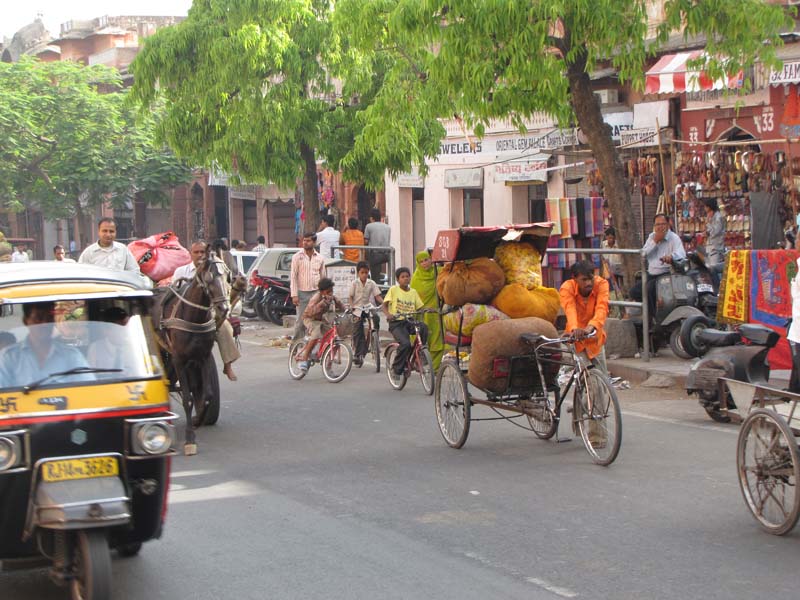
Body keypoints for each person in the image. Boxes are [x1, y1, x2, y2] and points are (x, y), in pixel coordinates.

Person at [172, 241, 241, 381]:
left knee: (224, 328)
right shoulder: (181, 271)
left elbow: (223, 289)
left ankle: (227, 365)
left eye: (202, 252)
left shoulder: (215, 271)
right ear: (190, 254)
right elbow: (175, 293)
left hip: (208, 312)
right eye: (196, 252)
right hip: (185, 315)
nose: (199, 255)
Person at [0, 301, 93, 388]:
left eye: (49, 319)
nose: (44, 324)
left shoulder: (72, 356)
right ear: (26, 321)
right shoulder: (9, 357)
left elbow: (89, 390)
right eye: (39, 318)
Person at [628, 213, 686, 317]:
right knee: (634, 291)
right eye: (657, 224)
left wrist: (671, 257)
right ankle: (651, 311)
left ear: (668, 225)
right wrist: (655, 241)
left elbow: (681, 254)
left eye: (662, 224)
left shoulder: (674, 238)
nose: (660, 227)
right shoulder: (652, 237)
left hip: (666, 274)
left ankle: (654, 318)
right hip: (651, 274)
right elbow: (643, 254)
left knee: (649, 289)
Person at [559, 260, 610, 372]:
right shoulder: (567, 287)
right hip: (576, 338)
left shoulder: (601, 284)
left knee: (603, 379)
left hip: (595, 337)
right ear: (574, 278)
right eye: (584, 280)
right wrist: (575, 328)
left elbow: (602, 308)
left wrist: (590, 327)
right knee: (588, 377)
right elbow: (569, 309)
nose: (588, 283)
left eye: (590, 278)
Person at [383, 266, 427, 377]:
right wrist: (388, 315)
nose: (406, 279)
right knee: (405, 343)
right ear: (398, 280)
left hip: (410, 321)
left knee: (424, 327)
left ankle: (419, 355)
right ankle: (396, 369)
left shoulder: (413, 292)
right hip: (396, 323)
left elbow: (420, 307)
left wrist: (426, 310)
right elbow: (384, 305)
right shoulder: (393, 290)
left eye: (407, 276)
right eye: (403, 277)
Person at [296, 277, 345, 372]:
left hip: (320, 319)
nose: (330, 293)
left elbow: (339, 303)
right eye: (328, 291)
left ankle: (328, 366)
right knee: (316, 333)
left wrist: (347, 310)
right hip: (309, 319)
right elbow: (310, 312)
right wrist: (322, 303)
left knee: (336, 340)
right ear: (322, 292)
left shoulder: (331, 297)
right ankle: (305, 358)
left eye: (331, 291)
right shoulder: (316, 298)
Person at [290, 232, 327, 340]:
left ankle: (312, 350)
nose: (305, 243)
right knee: (301, 323)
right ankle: (295, 347)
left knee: (316, 322)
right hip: (302, 294)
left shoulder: (320, 258)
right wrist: (294, 295)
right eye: (304, 240)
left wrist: (324, 294)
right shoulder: (297, 257)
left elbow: (323, 277)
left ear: (314, 242)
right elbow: (293, 276)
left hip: (316, 293)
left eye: (308, 241)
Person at [410, 250, 443, 370]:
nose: (425, 263)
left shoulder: (438, 272)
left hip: (435, 313)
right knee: (422, 340)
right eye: (421, 261)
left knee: (437, 340)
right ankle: (418, 361)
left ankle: (435, 368)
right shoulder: (416, 278)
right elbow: (413, 297)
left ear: (431, 259)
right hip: (422, 314)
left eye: (426, 260)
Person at [347, 261, 383, 367]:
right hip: (357, 308)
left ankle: (375, 335)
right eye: (362, 272)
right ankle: (358, 354)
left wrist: (384, 303)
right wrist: (351, 306)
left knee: (376, 317)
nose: (364, 275)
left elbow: (377, 296)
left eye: (366, 273)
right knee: (358, 330)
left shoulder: (371, 283)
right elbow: (350, 297)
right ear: (358, 273)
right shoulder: (354, 283)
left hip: (367, 306)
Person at [364, 208, 392, 283]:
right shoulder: (387, 227)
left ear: (371, 218)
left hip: (375, 254)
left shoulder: (369, 226)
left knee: (374, 275)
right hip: (387, 254)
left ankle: (377, 286)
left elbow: (366, 241)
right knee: (379, 270)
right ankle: (382, 283)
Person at [704, 198, 726, 286]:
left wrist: (709, 224)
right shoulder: (712, 216)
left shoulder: (718, 217)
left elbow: (716, 231)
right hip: (711, 247)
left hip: (716, 247)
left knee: (715, 269)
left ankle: (719, 287)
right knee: (710, 269)